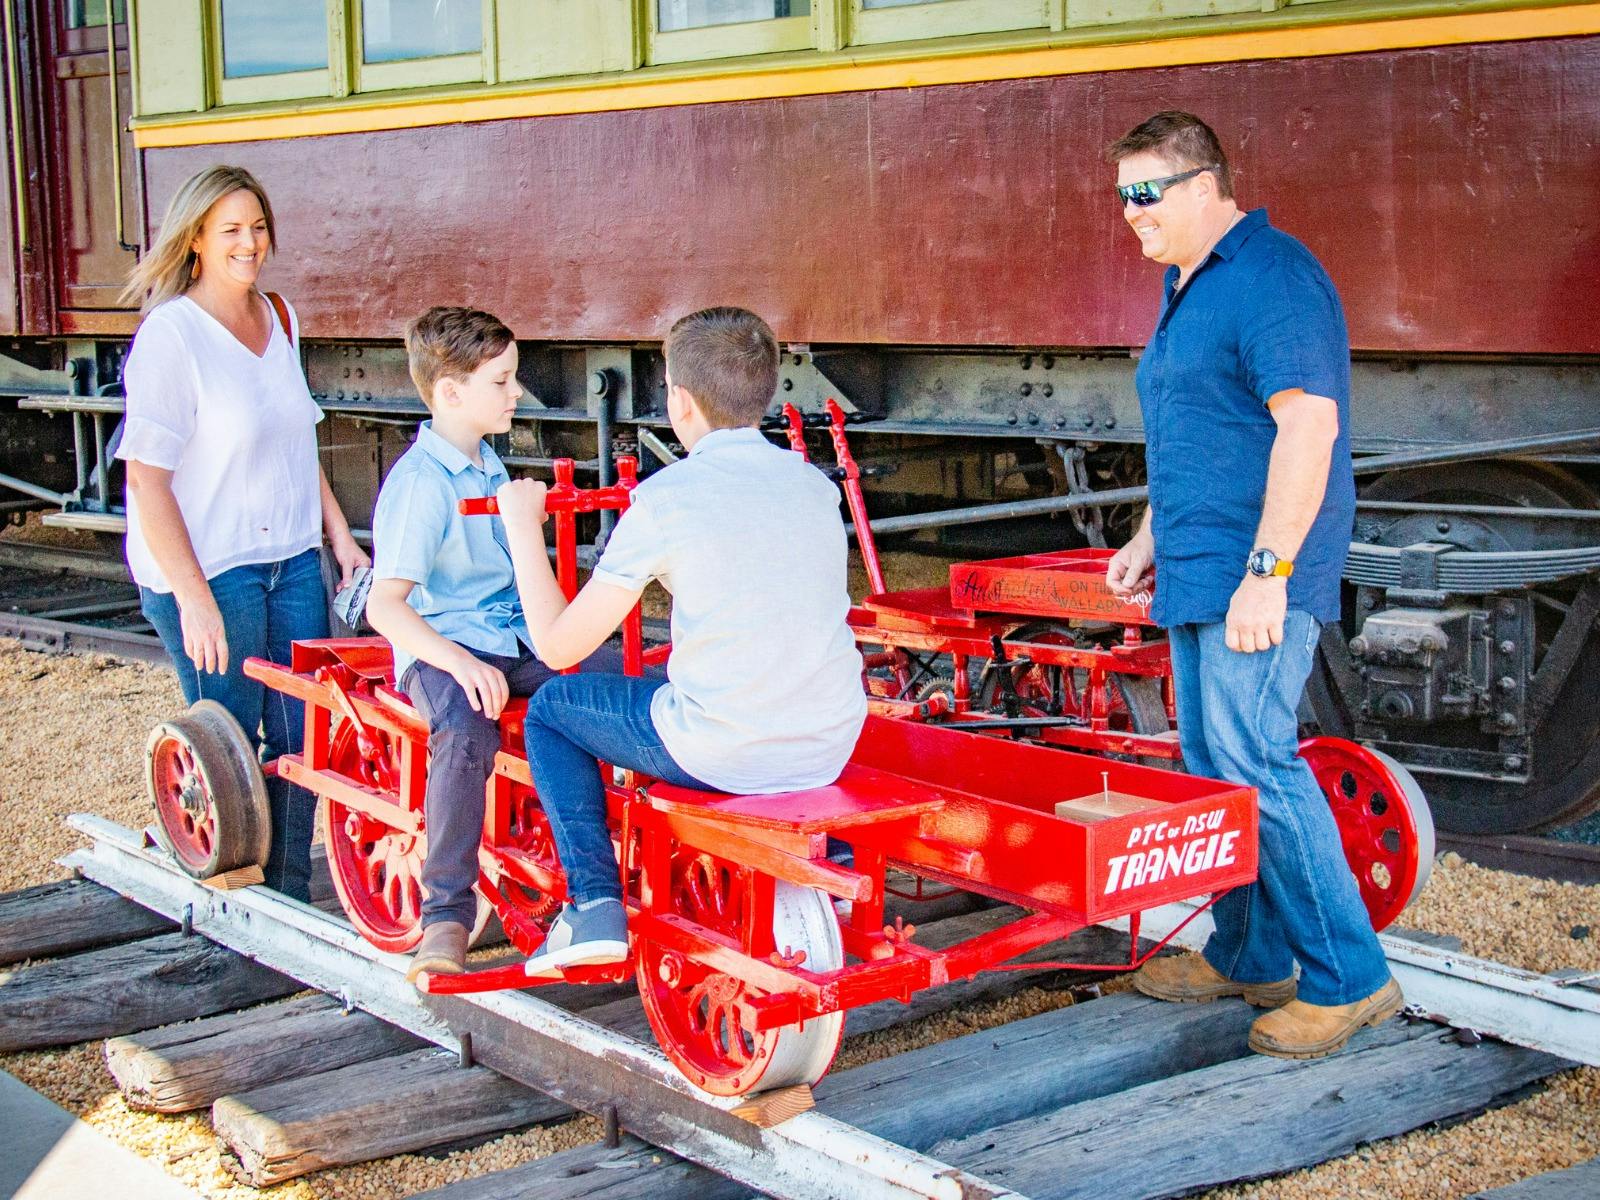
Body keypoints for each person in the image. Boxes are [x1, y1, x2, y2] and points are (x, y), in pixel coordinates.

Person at [1103, 112, 1401, 1058]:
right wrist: (1148, 536)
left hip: (1253, 573)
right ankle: (1250, 954)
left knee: (1255, 763)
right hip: (1200, 569)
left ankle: (1352, 980)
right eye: (1121, 196)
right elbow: (1197, 431)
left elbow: (1308, 428)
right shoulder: (1186, 283)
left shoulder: (1273, 277)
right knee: (1214, 769)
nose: (1129, 212)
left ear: (1203, 186)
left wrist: (1268, 576)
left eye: (1143, 193)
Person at [496, 306, 867, 976]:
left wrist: (523, 528)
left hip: (722, 749)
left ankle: (592, 905)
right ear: (765, 392)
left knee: (551, 709)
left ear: (679, 401)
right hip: (828, 744)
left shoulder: (667, 499)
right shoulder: (816, 487)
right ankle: (829, 853)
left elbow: (557, 647)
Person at [118, 165, 369, 902]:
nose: (249, 243)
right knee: (227, 747)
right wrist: (193, 597)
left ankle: (285, 900)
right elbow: (147, 481)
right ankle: (232, 904)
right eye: (230, 229)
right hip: (211, 568)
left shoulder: (279, 316)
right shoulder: (171, 336)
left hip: (291, 560)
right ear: (195, 239)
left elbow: (294, 442)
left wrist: (339, 536)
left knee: (299, 740)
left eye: (257, 227)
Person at [365, 306, 562, 982]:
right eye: (501, 382)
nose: (516, 394)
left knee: (600, 690)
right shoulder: (422, 484)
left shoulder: (489, 465)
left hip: (509, 635)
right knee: (466, 727)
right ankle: (445, 914)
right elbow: (384, 605)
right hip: (441, 646)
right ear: (450, 392)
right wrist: (461, 662)